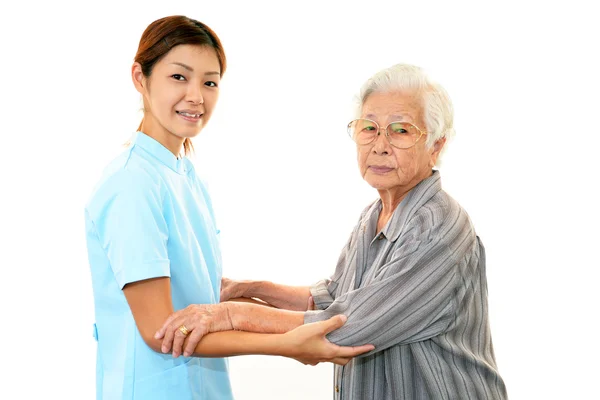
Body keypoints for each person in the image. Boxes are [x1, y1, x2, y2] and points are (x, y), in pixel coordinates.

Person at [159, 63, 508, 399]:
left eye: (401, 130)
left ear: (436, 145)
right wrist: (248, 289)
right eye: (369, 128)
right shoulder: (374, 214)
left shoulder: (437, 227)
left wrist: (231, 313)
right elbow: (332, 296)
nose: (380, 144)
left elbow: (344, 327)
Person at [84, 15, 373, 400]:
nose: (196, 97)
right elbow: (159, 329)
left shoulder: (186, 177)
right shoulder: (131, 184)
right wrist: (286, 344)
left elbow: (202, 298)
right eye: (179, 77)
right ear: (140, 77)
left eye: (209, 82)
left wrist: (264, 301)